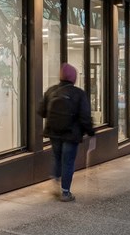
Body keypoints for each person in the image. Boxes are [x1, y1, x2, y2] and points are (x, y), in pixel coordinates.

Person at [38, 63, 94, 202]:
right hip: (71, 134)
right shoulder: (79, 93)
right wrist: (91, 132)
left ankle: (56, 181)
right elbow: (85, 116)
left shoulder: (51, 91)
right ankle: (65, 192)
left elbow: (41, 111)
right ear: (74, 78)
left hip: (54, 132)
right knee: (68, 162)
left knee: (57, 158)